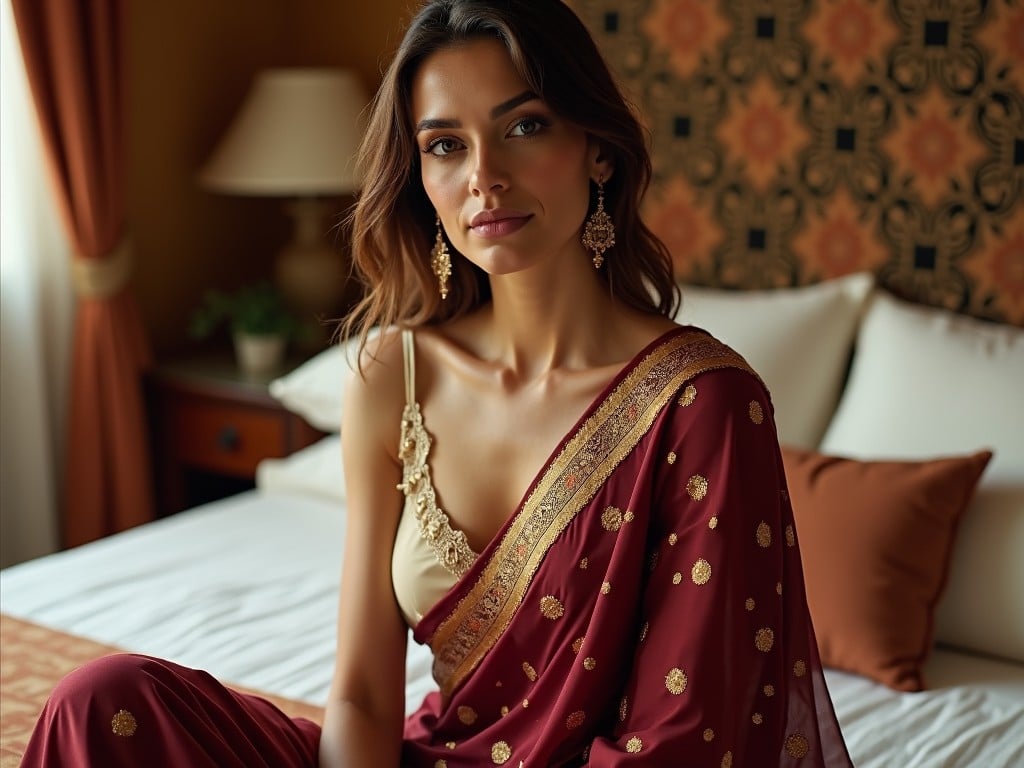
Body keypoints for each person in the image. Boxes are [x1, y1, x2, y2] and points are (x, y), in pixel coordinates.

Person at [21, 1, 853, 766]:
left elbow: (686, 735)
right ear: (419, 175)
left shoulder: (701, 403)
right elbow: (362, 692)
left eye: (524, 125)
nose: (484, 177)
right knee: (103, 702)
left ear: (596, 146)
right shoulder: (394, 374)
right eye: (445, 144)